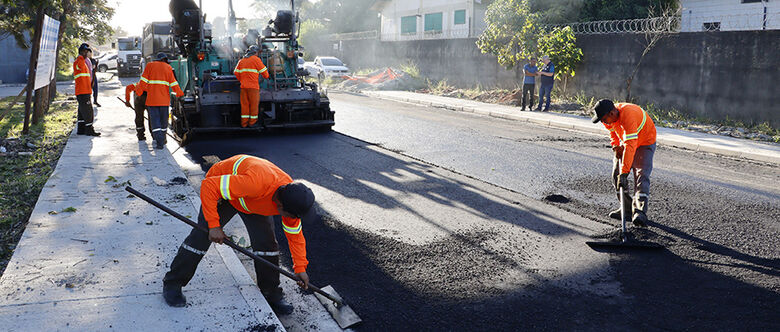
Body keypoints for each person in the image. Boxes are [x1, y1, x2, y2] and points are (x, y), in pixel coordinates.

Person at [162, 154, 314, 315]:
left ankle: (271, 292)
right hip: (223, 191)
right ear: (281, 206)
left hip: (252, 201)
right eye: (293, 216)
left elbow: (295, 236)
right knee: (201, 237)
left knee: (267, 245)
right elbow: (209, 186)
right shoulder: (256, 183)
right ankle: (172, 283)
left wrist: (300, 268)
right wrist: (214, 226)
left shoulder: (291, 199)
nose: (295, 219)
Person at [592, 99, 657, 227]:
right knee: (616, 174)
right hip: (626, 141)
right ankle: (626, 208)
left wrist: (625, 172)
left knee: (641, 174)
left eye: (604, 119)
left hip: (645, 142)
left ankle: (639, 212)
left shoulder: (628, 115)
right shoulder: (608, 119)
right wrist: (616, 146)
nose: (603, 122)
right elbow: (613, 132)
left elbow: (630, 145)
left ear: (611, 113)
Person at [135, 52, 184, 149]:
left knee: (155, 122)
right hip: (164, 101)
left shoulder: (149, 66)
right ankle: (163, 139)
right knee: (163, 122)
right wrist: (180, 94)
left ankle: (159, 142)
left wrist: (139, 93)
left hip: (152, 101)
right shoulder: (168, 68)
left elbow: (143, 82)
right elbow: (174, 83)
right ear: (164, 60)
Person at [234, 45, 270, 127]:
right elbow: (265, 74)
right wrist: (266, 76)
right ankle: (252, 123)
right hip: (253, 87)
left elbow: (236, 72)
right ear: (255, 52)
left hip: (243, 87)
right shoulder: (256, 59)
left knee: (244, 105)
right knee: (254, 105)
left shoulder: (241, 61)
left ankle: (244, 123)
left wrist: (242, 80)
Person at [73, 43, 100, 136]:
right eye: (85, 51)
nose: (87, 53)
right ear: (81, 52)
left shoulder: (82, 61)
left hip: (84, 90)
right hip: (82, 91)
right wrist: (82, 57)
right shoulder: (79, 61)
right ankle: (89, 130)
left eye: (87, 51)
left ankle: (81, 129)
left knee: (82, 111)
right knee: (88, 111)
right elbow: (80, 66)